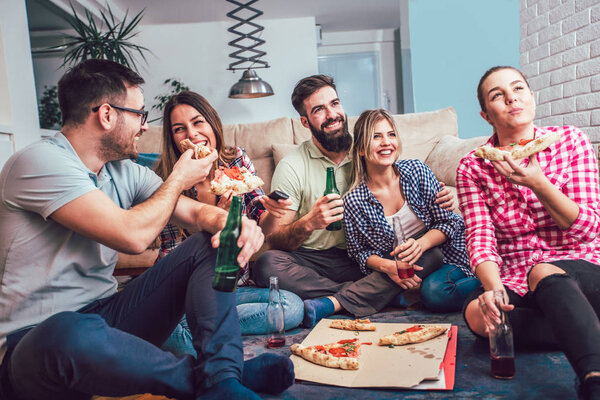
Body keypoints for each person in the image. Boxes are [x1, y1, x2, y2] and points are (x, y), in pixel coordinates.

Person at [0, 59, 294, 400]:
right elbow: (133, 236)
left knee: (209, 242)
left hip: (110, 318)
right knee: (66, 331)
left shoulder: (124, 171)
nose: (144, 126)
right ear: (107, 115)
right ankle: (215, 379)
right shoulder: (38, 162)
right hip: (33, 343)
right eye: (140, 114)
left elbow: (197, 213)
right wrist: (180, 178)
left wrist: (236, 225)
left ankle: (223, 378)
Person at [252, 75, 455, 328]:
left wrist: (441, 194)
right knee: (266, 265)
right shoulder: (292, 166)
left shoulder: (368, 145)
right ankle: (376, 293)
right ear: (305, 121)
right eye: (319, 110)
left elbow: (404, 178)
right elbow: (276, 240)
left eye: (334, 103)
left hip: (375, 252)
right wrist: (309, 223)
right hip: (322, 261)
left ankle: (349, 298)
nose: (331, 114)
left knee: (425, 254)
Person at [457, 65, 600, 399]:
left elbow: (588, 227)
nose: (511, 98)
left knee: (543, 269)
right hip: (515, 276)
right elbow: (480, 236)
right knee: (478, 316)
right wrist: (493, 290)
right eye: (498, 95)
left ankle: (594, 377)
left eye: (518, 89)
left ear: (532, 97)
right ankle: (584, 325)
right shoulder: (473, 167)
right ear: (485, 114)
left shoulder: (570, 141)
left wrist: (539, 183)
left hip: (581, 266)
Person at [153, 91, 303, 356]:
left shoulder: (236, 162)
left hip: (232, 288)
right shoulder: (165, 180)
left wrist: (274, 213)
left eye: (198, 122)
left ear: (211, 123)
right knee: (169, 332)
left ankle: (211, 328)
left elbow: (264, 229)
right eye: (180, 129)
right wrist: (212, 219)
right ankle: (219, 344)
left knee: (290, 306)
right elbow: (171, 255)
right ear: (172, 138)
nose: (192, 134)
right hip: (182, 294)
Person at [343, 108, 480, 313]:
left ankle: (497, 282)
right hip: (405, 267)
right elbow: (359, 252)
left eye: (391, 135)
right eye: (376, 137)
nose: (386, 142)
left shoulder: (416, 171)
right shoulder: (354, 201)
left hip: (447, 254)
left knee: (434, 293)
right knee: (424, 290)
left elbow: (449, 222)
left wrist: (421, 244)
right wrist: (388, 267)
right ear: (361, 150)